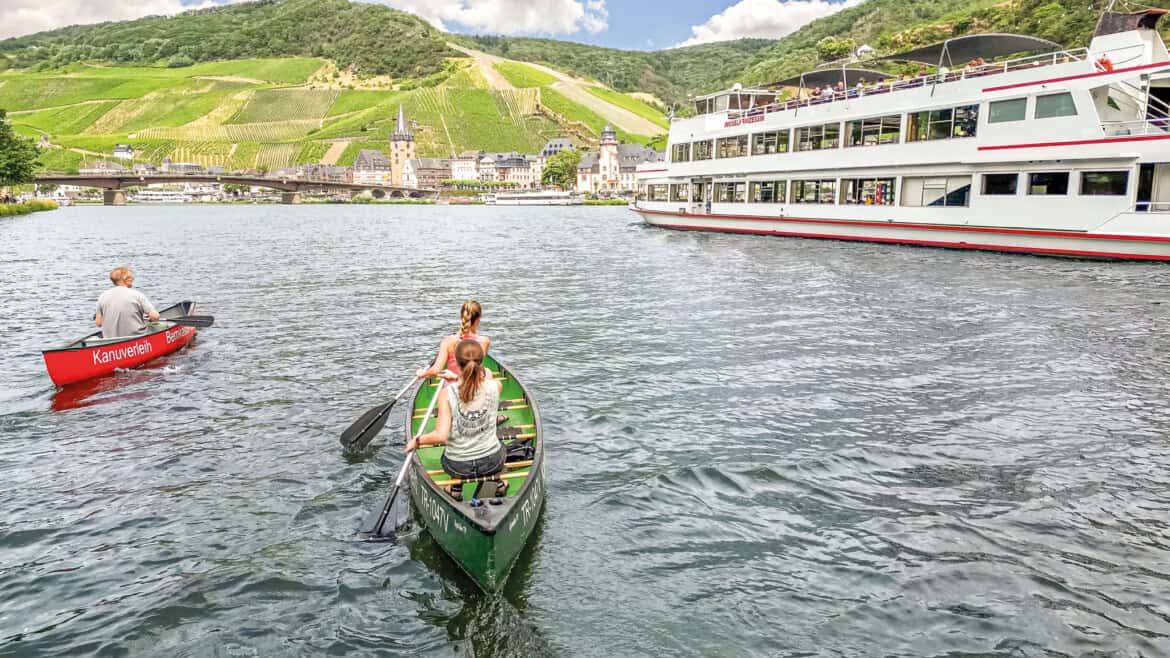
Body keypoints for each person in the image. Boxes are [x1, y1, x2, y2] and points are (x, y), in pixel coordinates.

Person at [407, 339, 506, 500]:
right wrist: (457, 377)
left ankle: (455, 489)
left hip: (457, 466)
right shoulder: (496, 386)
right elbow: (481, 380)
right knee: (499, 446)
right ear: (481, 361)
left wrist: (416, 441)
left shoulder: (447, 394)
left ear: (457, 363)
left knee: (454, 450)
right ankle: (500, 483)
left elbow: (441, 436)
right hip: (492, 462)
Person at [416, 300, 491, 380]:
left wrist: (422, 373)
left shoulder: (447, 341)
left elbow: (435, 371)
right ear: (479, 318)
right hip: (474, 385)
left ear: (461, 317)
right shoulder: (485, 341)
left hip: (453, 385)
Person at [95, 266, 160, 339]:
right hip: (136, 337)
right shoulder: (137, 295)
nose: (132, 279)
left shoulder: (102, 296)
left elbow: (98, 323)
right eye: (131, 277)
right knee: (158, 327)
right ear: (125, 279)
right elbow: (155, 316)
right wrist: (150, 319)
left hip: (110, 340)